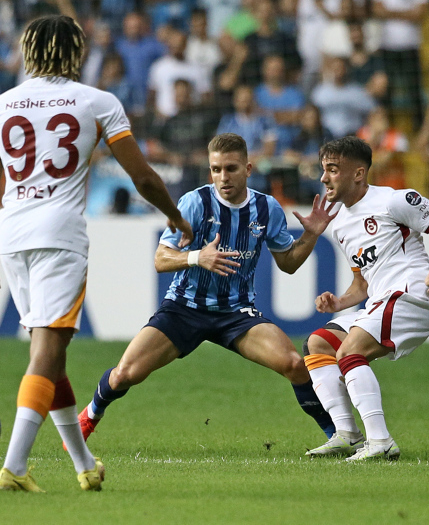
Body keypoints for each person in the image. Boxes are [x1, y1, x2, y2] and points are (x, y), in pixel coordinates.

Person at [0, 15, 192, 493]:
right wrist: (174, 216)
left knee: (51, 354)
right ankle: (15, 466)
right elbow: (145, 178)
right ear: (77, 52)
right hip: (59, 234)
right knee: (47, 351)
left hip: (11, 234)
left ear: (28, 51)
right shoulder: (96, 102)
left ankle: (84, 464)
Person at [72, 132, 339, 449]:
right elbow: (161, 259)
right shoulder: (194, 203)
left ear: (248, 169)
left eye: (231, 168)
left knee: (295, 364)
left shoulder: (267, 209)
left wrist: (311, 235)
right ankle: (91, 413)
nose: (222, 177)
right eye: (216, 169)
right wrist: (199, 257)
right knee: (124, 375)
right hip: (184, 309)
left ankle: (335, 436)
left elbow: (289, 263)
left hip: (236, 313)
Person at [302, 136, 429, 459]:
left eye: (332, 170)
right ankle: (347, 433)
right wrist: (338, 303)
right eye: (323, 170)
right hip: (381, 299)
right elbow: (362, 285)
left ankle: (381, 442)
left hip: (412, 292)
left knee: (350, 351)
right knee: (317, 344)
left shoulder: (394, 200)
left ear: (358, 173)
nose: (324, 178)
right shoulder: (340, 225)